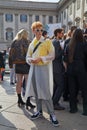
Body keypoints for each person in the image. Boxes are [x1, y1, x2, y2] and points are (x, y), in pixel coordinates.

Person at [25, 21, 59, 127]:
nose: (40, 32)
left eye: (41, 30)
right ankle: (39, 111)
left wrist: (41, 58)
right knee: (36, 91)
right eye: (37, 30)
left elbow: (52, 55)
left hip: (43, 68)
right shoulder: (31, 43)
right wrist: (31, 60)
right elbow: (27, 57)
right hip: (34, 69)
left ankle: (52, 114)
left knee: (46, 91)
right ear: (33, 31)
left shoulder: (47, 42)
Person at [9, 29, 35, 109]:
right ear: (25, 34)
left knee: (18, 83)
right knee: (28, 84)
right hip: (26, 64)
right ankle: (27, 101)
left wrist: (11, 64)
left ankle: (19, 99)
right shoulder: (27, 42)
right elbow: (31, 53)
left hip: (17, 65)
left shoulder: (14, 41)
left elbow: (10, 54)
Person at [63, 28, 87, 115]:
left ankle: (73, 108)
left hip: (70, 69)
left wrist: (66, 69)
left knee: (72, 90)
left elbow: (65, 59)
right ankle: (85, 110)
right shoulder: (84, 44)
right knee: (84, 90)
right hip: (81, 69)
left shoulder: (68, 44)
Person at [52, 28, 65, 110]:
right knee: (61, 85)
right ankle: (54, 102)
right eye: (61, 33)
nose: (63, 34)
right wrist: (63, 50)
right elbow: (56, 55)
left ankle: (54, 101)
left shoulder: (54, 41)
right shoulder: (56, 42)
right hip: (57, 67)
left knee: (56, 85)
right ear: (57, 33)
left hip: (55, 67)